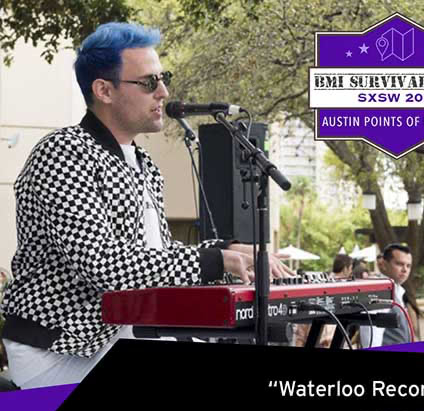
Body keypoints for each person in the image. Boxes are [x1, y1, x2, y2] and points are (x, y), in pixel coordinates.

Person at [1, 22, 292, 389]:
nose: (164, 92)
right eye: (149, 82)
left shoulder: (143, 164)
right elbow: (104, 265)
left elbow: (157, 254)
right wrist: (216, 261)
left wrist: (229, 249)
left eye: (163, 78)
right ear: (104, 90)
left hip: (122, 333)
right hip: (61, 349)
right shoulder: (63, 153)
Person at [360, 243, 412, 347]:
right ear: (383, 264)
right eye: (399, 264)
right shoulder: (378, 292)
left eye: (408, 266)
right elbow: (371, 336)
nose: (405, 269)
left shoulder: (397, 291)